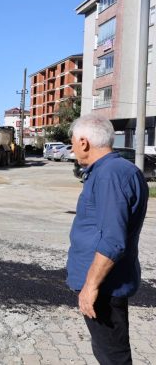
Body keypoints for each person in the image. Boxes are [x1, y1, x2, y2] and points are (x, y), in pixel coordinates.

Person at [66, 114, 148, 364]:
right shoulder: (114, 170)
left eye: (72, 142)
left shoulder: (110, 175)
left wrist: (91, 286)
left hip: (105, 286)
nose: (71, 148)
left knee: (113, 356)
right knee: (108, 351)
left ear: (84, 142)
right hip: (106, 282)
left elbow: (113, 240)